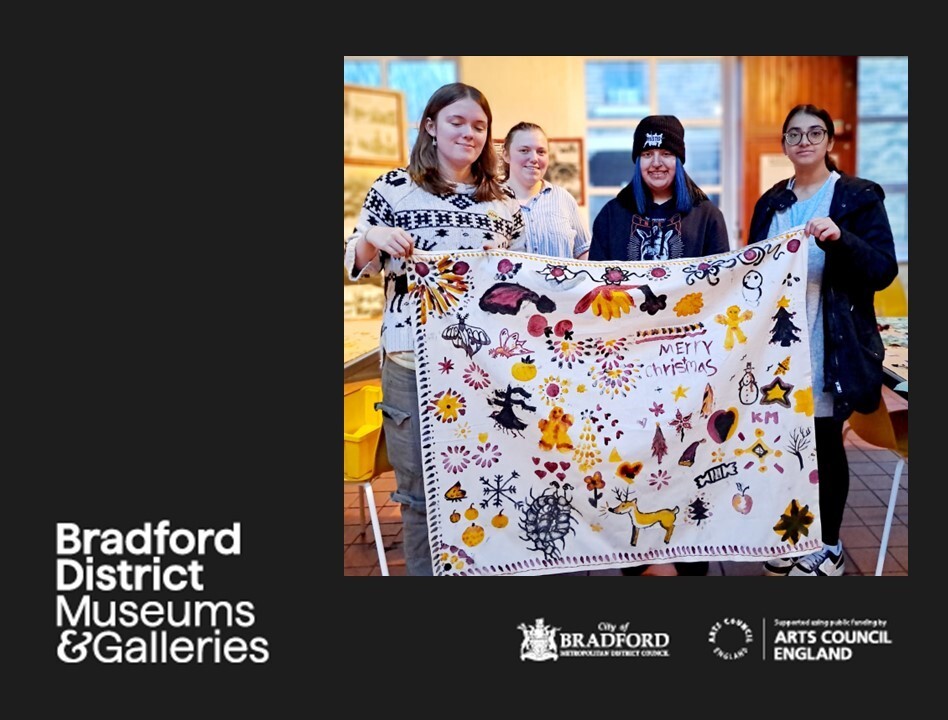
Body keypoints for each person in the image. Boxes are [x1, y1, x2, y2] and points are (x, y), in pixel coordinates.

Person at [343, 83, 525, 576]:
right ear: (430, 126)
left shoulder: (504, 202)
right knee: (418, 493)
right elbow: (353, 262)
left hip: (482, 366)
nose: (469, 133)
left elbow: (516, 281)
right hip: (410, 362)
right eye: (456, 122)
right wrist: (372, 235)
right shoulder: (392, 189)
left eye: (479, 126)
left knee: (485, 481)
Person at [748, 103, 897, 577]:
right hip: (777, 351)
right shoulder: (771, 203)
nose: (805, 141)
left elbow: (882, 269)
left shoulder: (856, 197)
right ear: (784, 144)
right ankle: (794, 533)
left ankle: (828, 545)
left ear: (830, 141)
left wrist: (840, 239)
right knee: (783, 446)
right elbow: (754, 272)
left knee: (825, 444)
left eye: (815, 133)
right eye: (794, 134)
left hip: (828, 343)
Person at [589, 115, 730, 577]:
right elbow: (597, 289)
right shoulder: (612, 215)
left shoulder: (706, 216)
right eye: (647, 153)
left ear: (679, 158)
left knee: (687, 459)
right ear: (637, 160)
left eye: (666, 153)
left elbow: (722, 288)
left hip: (687, 366)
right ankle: (636, 558)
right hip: (629, 368)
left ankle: (690, 556)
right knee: (634, 457)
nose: (656, 162)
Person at [501, 121, 590, 260]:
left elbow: (584, 255)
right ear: (506, 155)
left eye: (541, 152)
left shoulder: (564, 199)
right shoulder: (490, 200)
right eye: (524, 150)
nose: (534, 158)